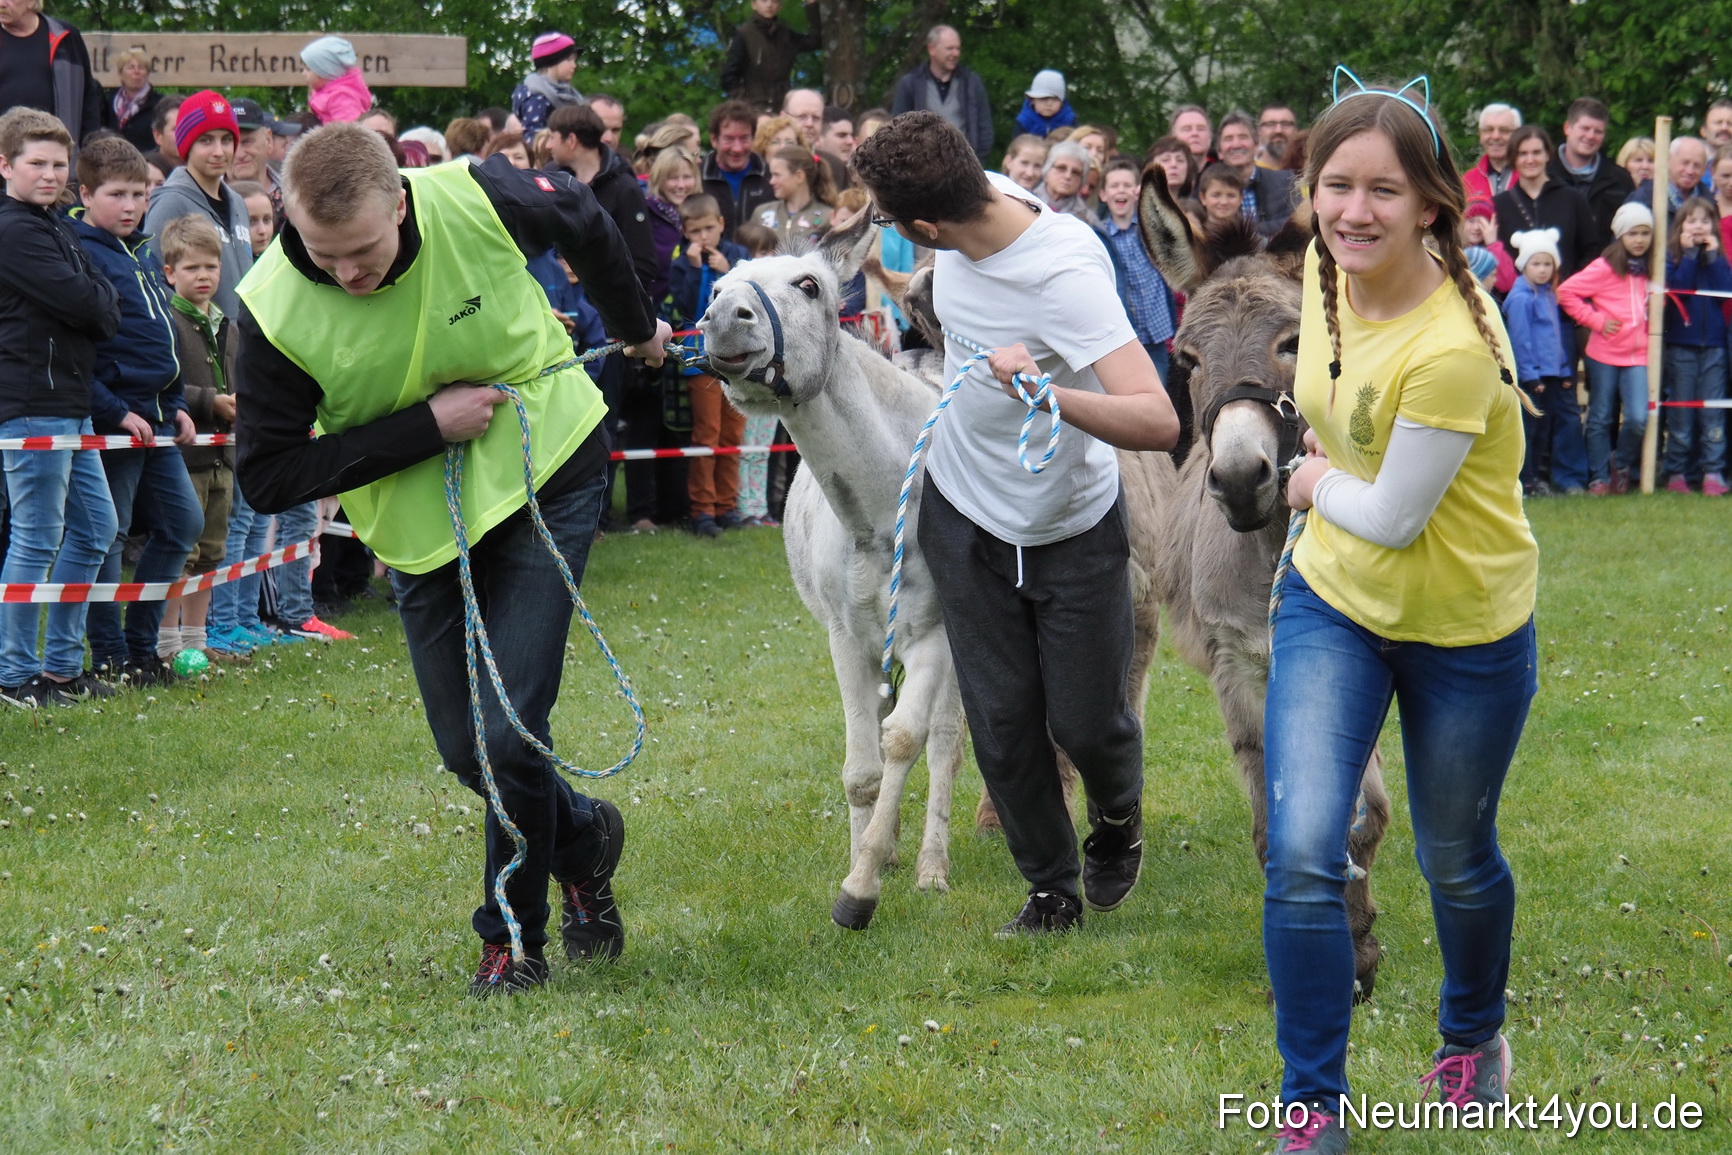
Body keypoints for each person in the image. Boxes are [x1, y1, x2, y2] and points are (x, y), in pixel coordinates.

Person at [233, 122, 672, 995]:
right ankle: (583, 840)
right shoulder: (269, 306)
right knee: (467, 751)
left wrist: (637, 331)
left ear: (400, 200)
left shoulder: (480, 195)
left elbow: (583, 213)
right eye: (324, 256)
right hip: (423, 526)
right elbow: (268, 475)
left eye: (362, 250)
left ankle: (511, 943)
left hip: (547, 463)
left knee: (510, 729)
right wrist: (426, 428)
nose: (347, 275)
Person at [1266, 76, 1540, 1155]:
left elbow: (1383, 514)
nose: (1354, 212)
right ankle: (1309, 1108)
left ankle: (1472, 1037)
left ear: (1431, 202)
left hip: (1466, 627)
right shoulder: (1322, 275)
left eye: (1384, 190)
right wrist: (1324, 477)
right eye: (1336, 186)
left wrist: (1304, 483)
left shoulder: (1457, 345)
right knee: (1299, 850)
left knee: (1453, 856)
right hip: (1332, 602)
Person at [851, 111, 1179, 936]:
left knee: (1086, 721)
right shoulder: (975, 199)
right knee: (999, 724)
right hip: (963, 511)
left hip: (1067, 521)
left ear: (928, 224)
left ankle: (1116, 816)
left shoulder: (1065, 274)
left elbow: (1158, 418)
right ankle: (1051, 888)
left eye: (895, 224)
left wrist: (1046, 392)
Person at [69, 135, 204, 684]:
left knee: (183, 525)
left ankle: (141, 646)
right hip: (116, 423)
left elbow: (162, 339)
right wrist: (115, 411)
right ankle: (109, 653)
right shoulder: (80, 250)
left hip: (158, 418)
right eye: (117, 195)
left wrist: (176, 404)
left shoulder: (145, 252)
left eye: (140, 194)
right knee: (111, 533)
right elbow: (83, 355)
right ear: (87, 194)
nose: (131, 206)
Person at [0, 107, 120, 707]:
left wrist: (93, 302)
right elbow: (87, 301)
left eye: (59, 164)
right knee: (37, 537)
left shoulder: (57, 225)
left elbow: (106, 303)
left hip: (72, 404)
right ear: (5, 165)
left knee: (96, 529)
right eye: (37, 163)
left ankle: (61, 670)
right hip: (31, 405)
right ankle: (14, 674)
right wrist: (93, 302)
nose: (51, 175)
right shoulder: (14, 230)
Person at [159, 214, 248, 661]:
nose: (204, 276)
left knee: (212, 551)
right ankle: (168, 643)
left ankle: (197, 641)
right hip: (186, 456)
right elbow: (165, 383)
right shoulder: (167, 321)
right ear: (170, 273)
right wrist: (209, 401)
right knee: (183, 552)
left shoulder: (227, 324)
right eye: (192, 268)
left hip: (223, 456)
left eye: (211, 267)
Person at [1558, 203, 1653, 494]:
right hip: (1604, 353)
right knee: (1601, 416)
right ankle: (1599, 478)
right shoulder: (1604, 267)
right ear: (1620, 236)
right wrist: (1596, 320)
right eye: (1633, 233)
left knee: (1638, 417)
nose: (1639, 240)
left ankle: (1619, 463)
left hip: (1640, 354)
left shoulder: (1653, 267)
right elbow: (1566, 292)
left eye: (1645, 233)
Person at [670, 194, 749, 536]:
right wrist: (693, 269)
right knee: (707, 434)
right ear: (686, 233)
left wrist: (725, 272)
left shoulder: (738, 258)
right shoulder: (680, 264)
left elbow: (748, 300)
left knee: (733, 433)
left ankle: (728, 506)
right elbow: (685, 306)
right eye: (695, 231)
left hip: (738, 358)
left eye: (708, 228)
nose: (703, 237)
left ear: (721, 225)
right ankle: (703, 510)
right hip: (700, 360)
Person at [140, 91, 252, 324]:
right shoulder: (171, 201)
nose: (219, 151)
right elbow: (150, 275)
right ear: (187, 144)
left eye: (226, 140)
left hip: (240, 344)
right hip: (198, 346)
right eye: (206, 140)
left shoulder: (238, 202)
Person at [1502, 228, 1586, 495]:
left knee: (1545, 428)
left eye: (1547, 264)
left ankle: (1538, 479)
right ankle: (1525, 481)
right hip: (1533, 378)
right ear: (1524, 266)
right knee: (1530, 431)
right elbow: (1521, 342)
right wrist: (1530, 375)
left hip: (1551, 375)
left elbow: (1556, 338)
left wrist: (1563, 371)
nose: (1542, 269)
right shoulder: (1520, 299)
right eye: (1536, 263)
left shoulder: (1550, 295)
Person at [1659, 197, 1730, 494]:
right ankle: (1676, 472)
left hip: (1714, 345)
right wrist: (1689, 254)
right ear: (1680, 226)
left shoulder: (1718, 256)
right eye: (1692, 220)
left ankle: (1712, 472)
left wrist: (1713, 257)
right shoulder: (1673, 256)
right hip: (1681, 345)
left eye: (1704, 221)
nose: (1699, 226)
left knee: (1712, 411)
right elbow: (1679, 292)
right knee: (1682, 411)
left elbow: (1725, 292)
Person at [1097, 156, 1176, 379]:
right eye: (1114, 186)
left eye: (1127, 185)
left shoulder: (1150, 228)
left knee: (1162, 389)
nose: (1120, 191)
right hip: (1124, 336)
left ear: (1137, 191)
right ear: (1103, 195)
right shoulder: (1098, 236)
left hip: (1156, 333)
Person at [1491, 125, 1598, 281]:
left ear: (1547, 155)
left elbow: (1591, 251)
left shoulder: (1573, 199)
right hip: (1517, 301)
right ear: (1513, 158)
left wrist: (1571, 287)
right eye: (1522, 154)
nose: (1530, 160)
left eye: (1536, 152)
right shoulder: (1499, 205)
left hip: (1565, 298)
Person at [0, 0, 101, 144]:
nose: (2, 4)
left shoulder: (66, 37)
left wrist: (90, 147)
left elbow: (88, 101)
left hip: (58, 150)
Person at [890, 26, 993, 162]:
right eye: (950, 48)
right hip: (921, 166)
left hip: (964, 165)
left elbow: (985, 128)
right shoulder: (910, 83)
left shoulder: (971, 83)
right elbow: (897, 128)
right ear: (931, 49)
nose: (955, 53)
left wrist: (977, 162)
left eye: (958, 48)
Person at [1546, 97, 1633, 248]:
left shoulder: (1620, 180)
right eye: (1585, 128)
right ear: (1567, 128)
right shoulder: (1545, 175)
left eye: (1598, 131)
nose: (1591, 136)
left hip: (1604, 267)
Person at [721, 0, 821, 115]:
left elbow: (815, 41)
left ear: (779, 5)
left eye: (774, 1)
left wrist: (812, 6)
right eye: (764, 0)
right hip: (754, 108)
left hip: (784, 108)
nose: (769, 5)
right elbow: (729, 76)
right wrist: (745, 103)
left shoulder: (785, 34)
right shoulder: (745, 34)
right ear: (754, 4)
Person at [700, 99, 774, 241]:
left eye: (744, 138)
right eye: (729, 139)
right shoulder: (697, 179)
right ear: (714, 140)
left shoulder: (770, 178)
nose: (737, 148)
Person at [1217, 109, 1297, 235]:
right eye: (1228, 139)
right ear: (1219, 151)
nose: (1236, 144)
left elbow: (1298, 222)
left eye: (1243, 137)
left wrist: (1244, 232)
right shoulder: (1207, 186)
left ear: (1256, 144)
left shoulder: (1285, 181)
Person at [754, 144, 834, 247]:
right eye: (771, 175)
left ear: (799, 176)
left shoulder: (827, 217)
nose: (771, 181)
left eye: (777, 175)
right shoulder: (762, 213)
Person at [511, 32, 582, 140]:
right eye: (569, 60)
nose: (574, 65)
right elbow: (533, 138)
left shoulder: (567, 93)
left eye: (574, 60)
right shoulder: (537, 97)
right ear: (553, 61)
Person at [1626, 135, 1713, 212]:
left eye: (1697, 166)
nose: (1690, 171)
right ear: (1668, 161)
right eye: (1685, 163)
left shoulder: (1709, 202)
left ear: (1704, 169)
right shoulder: (1644, 198)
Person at [100, 48, 162, 154]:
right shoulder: (108, 102)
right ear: (120, 74)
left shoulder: (159, 104)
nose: (136, 72)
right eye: (130, 68)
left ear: (147, 74)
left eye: (141, 67)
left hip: (147, 163)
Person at [301, 36, 372, 125]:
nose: (303, 73)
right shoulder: (325, 93)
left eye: (308, 69)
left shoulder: (342, 97)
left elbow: (348, 132)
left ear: (324, 72)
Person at [1463, 101, 1520, 204]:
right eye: (1489, 130)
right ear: (1480, 134)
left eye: (1504, 130)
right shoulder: (1467, 182)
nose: (1495, 136)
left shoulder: (1531, 176)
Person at [1463, 201, 1516, 294]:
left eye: (1482, 223)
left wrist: (1492, 245)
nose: (1476, 228)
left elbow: (1507, 285)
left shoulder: (1496, 250)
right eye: (1471, 221)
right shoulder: (1451, 247)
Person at [1014, 69, 1076, 139]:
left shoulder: (1069, 120)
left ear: (1062, 102)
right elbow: (1018, 146)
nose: (1049, 104)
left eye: (1055, 99)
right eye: (1043, 98)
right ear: (1032, 100)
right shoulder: (1024, 121)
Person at [1037, 139, 1090, 218]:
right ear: (1047, 170)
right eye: (1061, 168)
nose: (1068, 176)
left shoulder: (1087, 219)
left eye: (1075, 172)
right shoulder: (1025, 199)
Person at [1196, 162, 1245, 232]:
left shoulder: (1253, 240)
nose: (1224, 202)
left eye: (1231, 196)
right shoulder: (1194, 238)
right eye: (1216, 195)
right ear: (1203, 198)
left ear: (1241, 198)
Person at [1146, 134, 1199, 199]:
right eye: (1165, 160)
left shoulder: (1197, 206)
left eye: (1180, 160)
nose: (1173, 164)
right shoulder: (1137, 204)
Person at [1169, 103, 1214, 169]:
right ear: (1172, 136)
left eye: (1201, 129)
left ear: (1210, 136)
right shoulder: (1159, 176)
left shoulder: (1227, 175)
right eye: (1187, 129)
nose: (1195, 133)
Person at [1257, 103, 1298, 167]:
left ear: (1296, 130)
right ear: (1259, 132)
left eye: (1285, 124)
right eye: (1271, 124)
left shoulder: (1309, 173)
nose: (1278, 130)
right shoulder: (1247, 174)